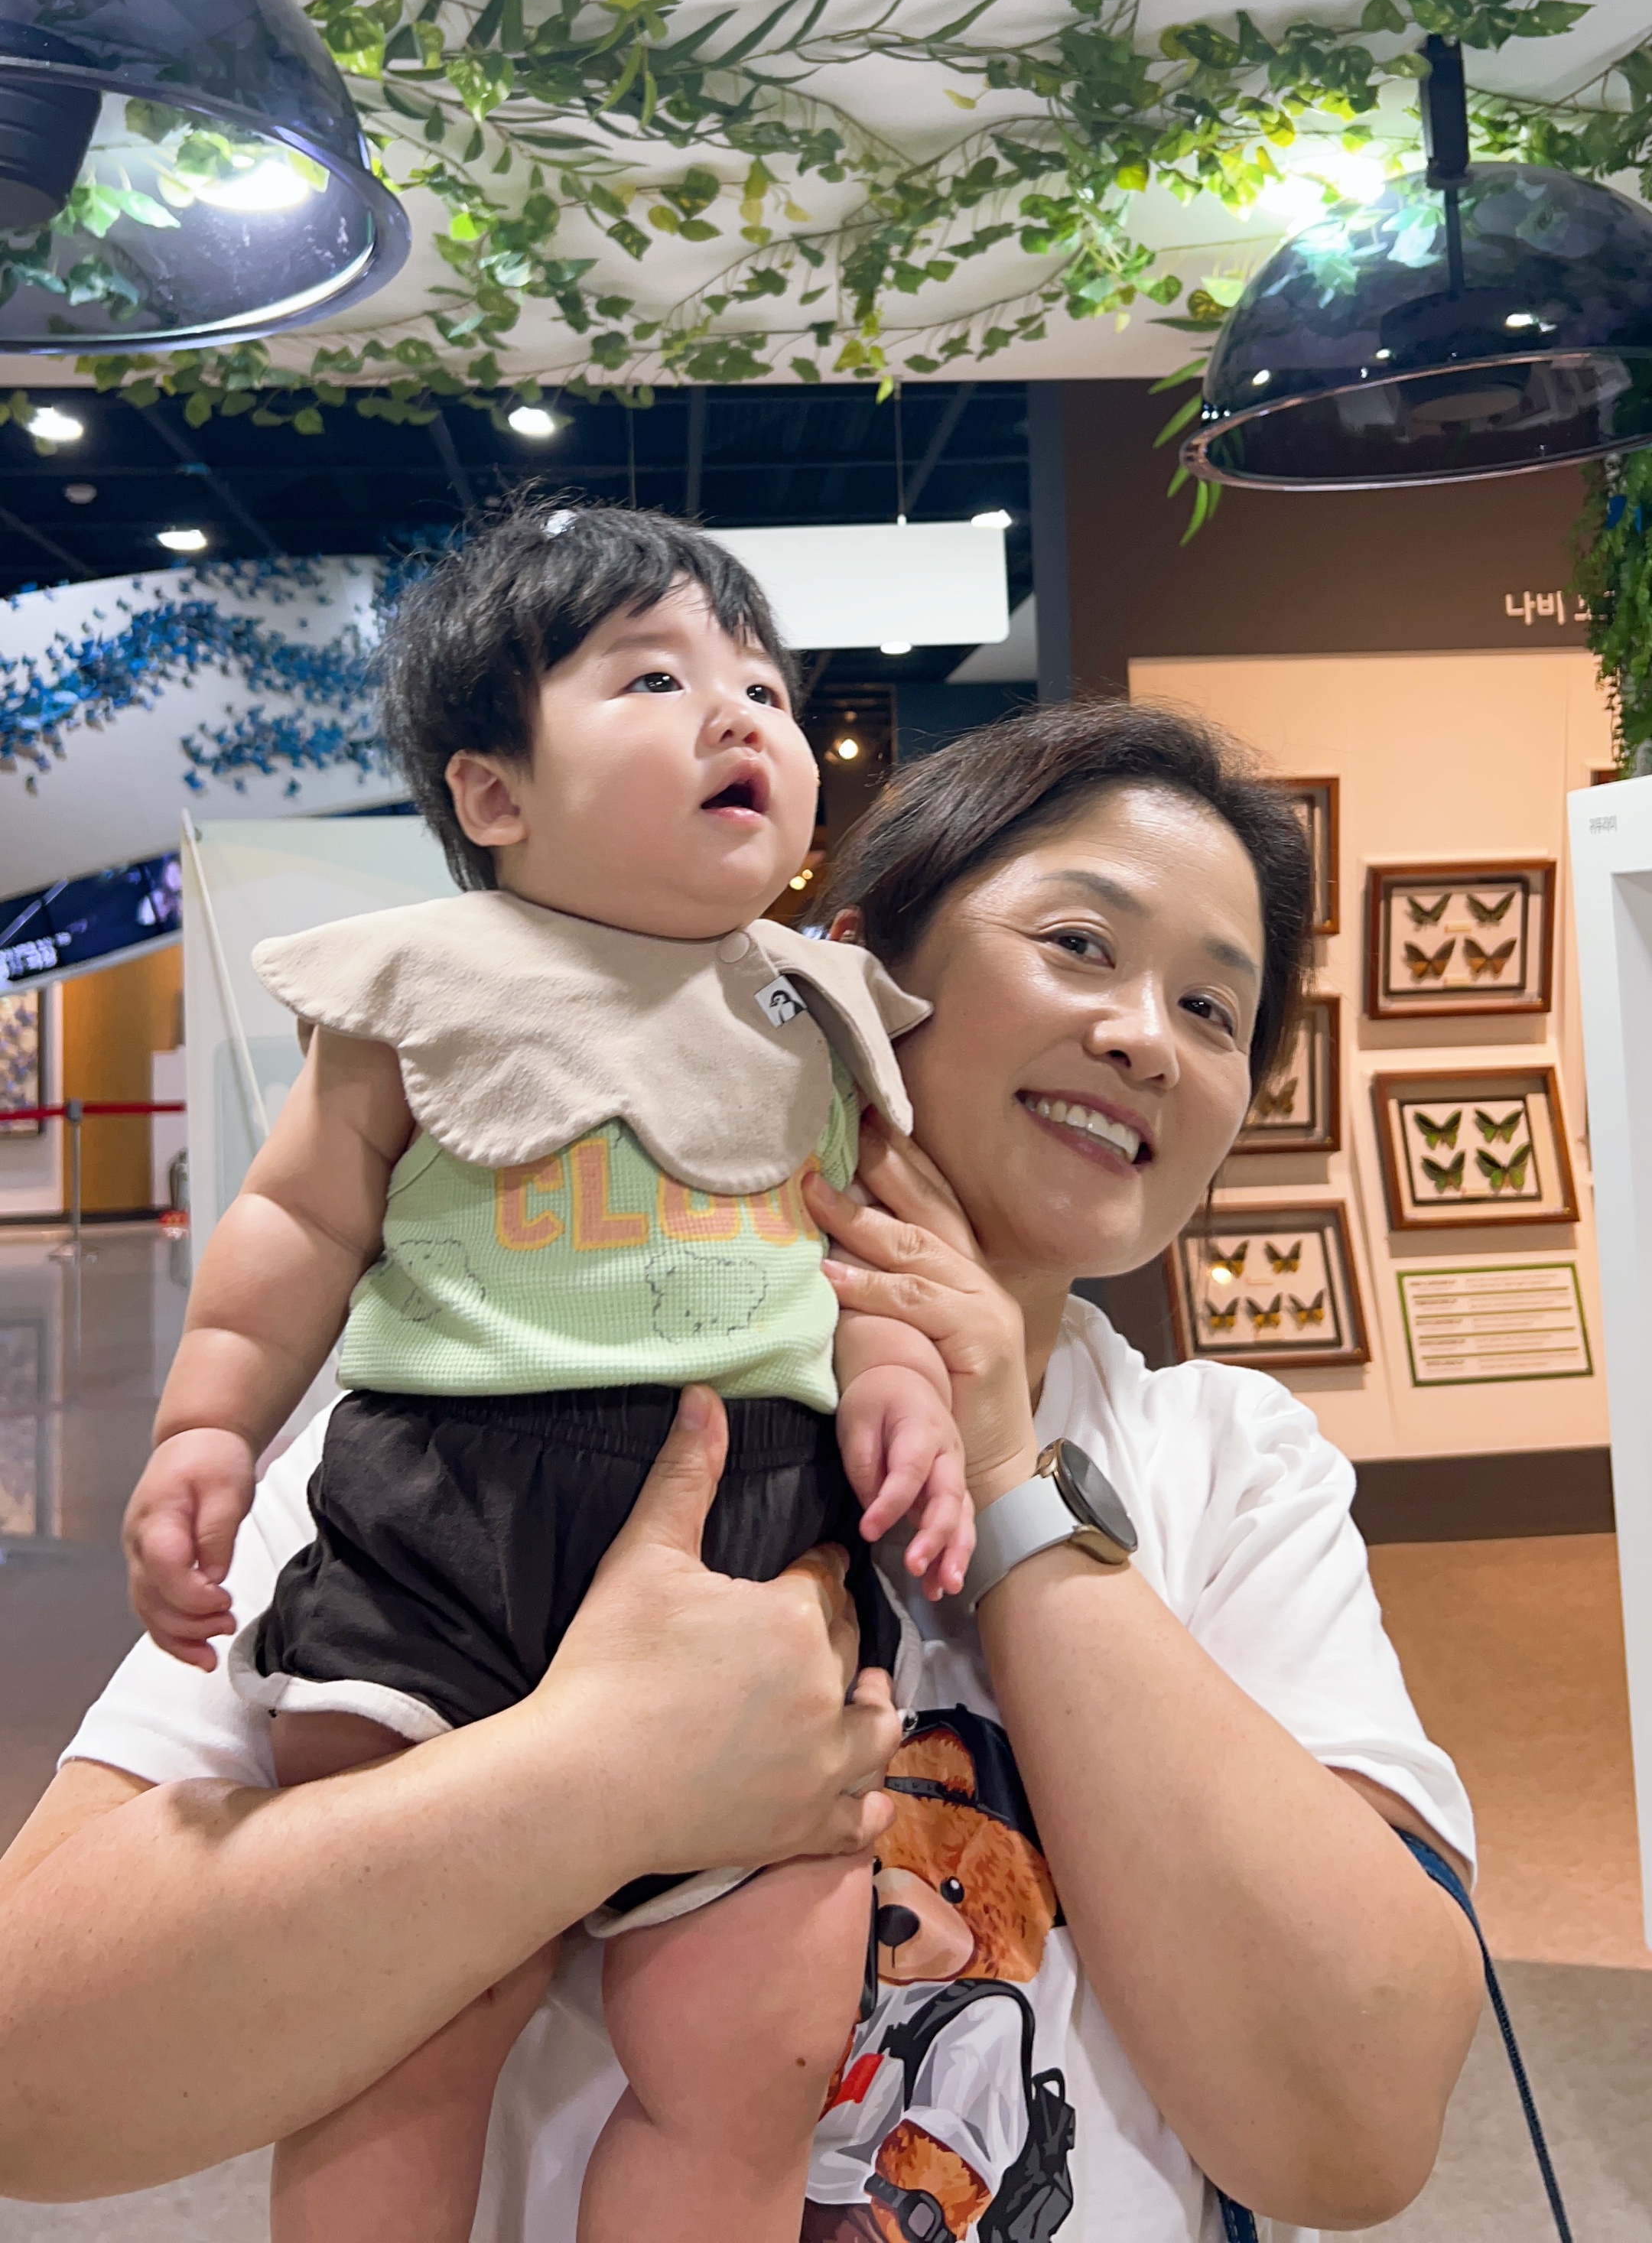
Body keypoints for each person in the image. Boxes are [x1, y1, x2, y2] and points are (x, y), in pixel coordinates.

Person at [0, 697, 1482, 2241]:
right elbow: (32, 2078)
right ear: (845, 980)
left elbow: (1355, 2133)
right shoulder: (464, 1423)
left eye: (1216, 1011)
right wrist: (595, 1777)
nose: (1145, 1040)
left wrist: (1006, 1478)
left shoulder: (1235, 1468)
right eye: (1080, 946)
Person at [117, 502, 969, 2243]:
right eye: (654, 679)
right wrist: (209, 1422)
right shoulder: (421, 988)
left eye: (763, 687)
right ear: (494, 795)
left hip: (755, 1540)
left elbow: (860, 1246)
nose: (741, 714)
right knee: (392, 2037)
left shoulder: (813, 1010)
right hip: (443, 1531)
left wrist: (900, 1383)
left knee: (750, 2054)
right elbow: (296, 1221)